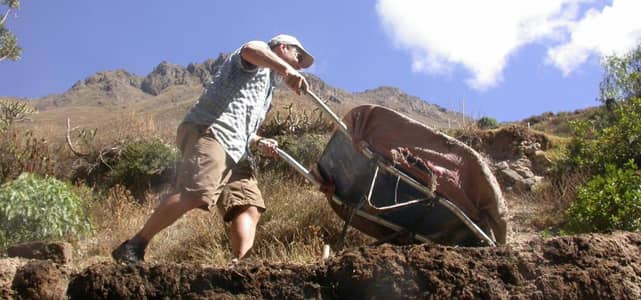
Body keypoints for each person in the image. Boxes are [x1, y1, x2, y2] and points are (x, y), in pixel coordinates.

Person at [112, 34, 314, 264]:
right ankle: (134, 246)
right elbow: (250, 50)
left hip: (238, 149)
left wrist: (259, 141)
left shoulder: (268, 88)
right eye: (298, 55)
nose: (299, 62)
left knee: (249, 205)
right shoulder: (259, 55)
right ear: (283, 47)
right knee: (196, 192)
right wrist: (287, 71)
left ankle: (240, 265)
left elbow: (244, 126)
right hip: (212, 131)